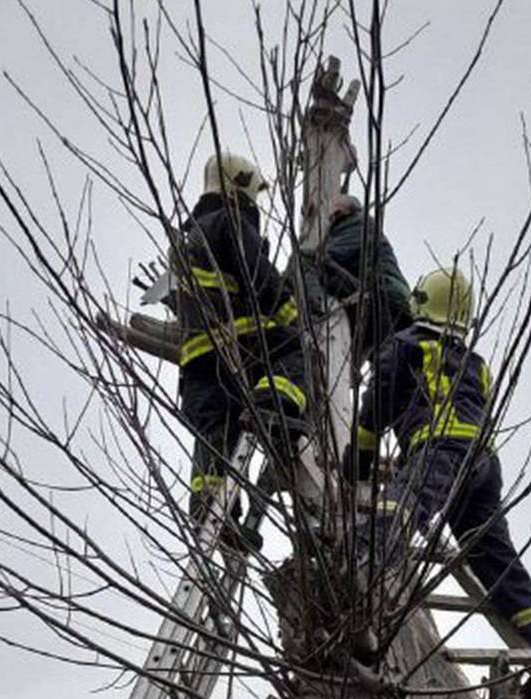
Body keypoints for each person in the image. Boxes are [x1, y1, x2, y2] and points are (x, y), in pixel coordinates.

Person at [346, 267, 531, 694]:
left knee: (397, 510)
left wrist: (356, 468)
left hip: (440, 452)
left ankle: (357, 573)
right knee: (497, 562)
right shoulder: (476, 363)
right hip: (483, 465)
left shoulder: (402, 346)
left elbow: (372, 416)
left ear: (419, 302)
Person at [171, 152, 306, 539]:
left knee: (216, 436)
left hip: (196, 362)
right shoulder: (231, 221)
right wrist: (288, 310)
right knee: (296, 353)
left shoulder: (189, 237)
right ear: (239, 186)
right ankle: (275, 405)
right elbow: (256, 274)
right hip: (239, 345)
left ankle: (215, 515)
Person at [320, 195, 412, 358]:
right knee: (385, 363)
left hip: (384, 299)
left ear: (346, 211)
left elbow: (328, 257)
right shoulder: (362, 226)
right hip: (393, 302)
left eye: (335, 211)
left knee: (318, 269)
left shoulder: (356, 225)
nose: (330, 217)